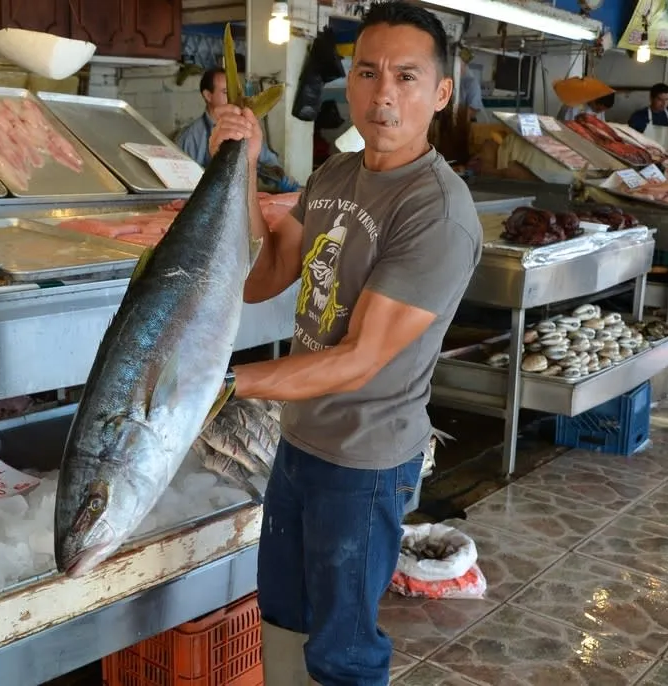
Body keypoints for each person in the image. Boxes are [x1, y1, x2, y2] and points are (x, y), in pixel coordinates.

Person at [209, 2, 481, 684]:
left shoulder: (436, 212)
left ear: (441, 93)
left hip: (363, 463)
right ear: (349, 82)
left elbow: (360, 359)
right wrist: (242, 165)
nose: (383, 92)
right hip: (299, 444)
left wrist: (223, 384)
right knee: (282, 618)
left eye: (407, 77)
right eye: (367, 72)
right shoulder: (335, 175)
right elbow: (261, 277)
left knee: (343, 650)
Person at [175, 67, 298, 192]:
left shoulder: (247, 128)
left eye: (237, 92)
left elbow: (268, 162)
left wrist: (279, 176)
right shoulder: (190, 137)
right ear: (208, 95)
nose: (233, 97)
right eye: (225, 92)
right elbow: (181, 183)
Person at [627, 83, 668, 150]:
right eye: (660, 99)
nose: (664, 103)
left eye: (667, 99)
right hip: (644, 156)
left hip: (665, 156)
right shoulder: (639, 116)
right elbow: (629, 139)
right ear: (651, 98)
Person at [457, 48, 484, 122]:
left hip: (466, 122)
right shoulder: (455, 79)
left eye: (459, 64)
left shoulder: (472, 83)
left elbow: (473, 110)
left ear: (465, 64)